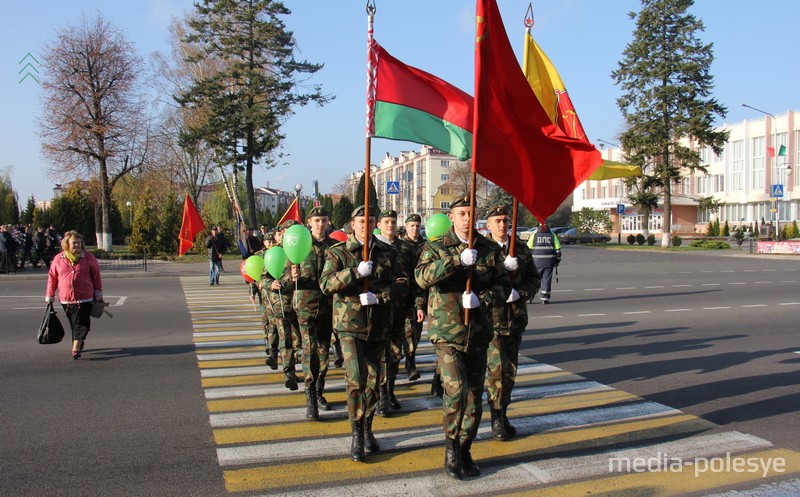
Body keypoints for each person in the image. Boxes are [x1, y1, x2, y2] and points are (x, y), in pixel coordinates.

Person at [415, 196, 510, 480]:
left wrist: (482, 299)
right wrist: (456, 260)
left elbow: (503, 286)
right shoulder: (435, 247)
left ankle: (466, 447)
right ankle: (451, 450)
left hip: (479, 333)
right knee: (455, 393)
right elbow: (421, 278)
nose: (467, 218)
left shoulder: (489, 249)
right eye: (461, 214)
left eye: (471, 213)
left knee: (473, 397)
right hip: (447, 333)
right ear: (452, 217)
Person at [319, 205, 408, 462]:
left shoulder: (389, 252)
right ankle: (357, 434)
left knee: (374, 381)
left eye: (369, 221)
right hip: (349, 326)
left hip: (378, 325)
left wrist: (380, 297)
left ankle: (368, 428)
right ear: (352, 223)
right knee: (357, 380)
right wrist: (356, 272)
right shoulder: (339, 253)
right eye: (360, 221)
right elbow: (327, 284)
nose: (364, 225)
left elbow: (403, 284)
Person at [484, 205, 541, 440]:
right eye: (497, 220)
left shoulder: (519, 249)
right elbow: (476, 283)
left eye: (505, 220)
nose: (502, 224)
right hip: (491, 321)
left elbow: (534, 279)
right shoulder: (480, 250)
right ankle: (496, 418)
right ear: (487, 225)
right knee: (497, 372)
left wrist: (521, 293)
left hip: (515, 319)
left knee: (510, 372)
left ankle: (503, 412)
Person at [289, 206, 336, 419]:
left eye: (324, 220)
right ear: (309, 222)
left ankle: (319, 390)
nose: (320, 224)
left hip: (328, 307)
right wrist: (291, 276)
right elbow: (281, 280)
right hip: (305, 307)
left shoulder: (335, 247)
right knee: (310, 351)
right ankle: (310, 398)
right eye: (316, 220)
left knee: (324, 351)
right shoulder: (298, 246)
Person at [374, 209, 416, 415]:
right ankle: (382, 395)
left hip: (400, 308)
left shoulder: (405, 248)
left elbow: (413, 278)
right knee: (381, 352)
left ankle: (390, 389)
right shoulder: (373, 247)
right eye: (386, 222)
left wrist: (416, 304)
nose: (390, 225)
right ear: (379, 225)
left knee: (395, 352)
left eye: (393, 222)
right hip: (378, 308)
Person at [44, 230, 103, 359]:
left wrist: (98, 291)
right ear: (67, 244)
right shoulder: (59, 259)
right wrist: (50, 295)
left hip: (85, 297)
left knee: (81, 322)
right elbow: (52, 277)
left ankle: (75, 348)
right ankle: (78, 341)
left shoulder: (88, 258)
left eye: (79, 243)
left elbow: (96, 275)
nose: (77, 245)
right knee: (74, 323)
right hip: (66, 298)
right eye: (74, 243)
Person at [261, 219, 302, 391]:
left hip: (303, 304)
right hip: (282, 305)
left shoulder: (303, 251)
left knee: (300, 341)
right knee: (286, 340)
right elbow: (263, 277)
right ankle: (289, 373)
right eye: (287, 230)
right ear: (283, 233)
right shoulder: (275, 253)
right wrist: (271, 284)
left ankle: (296, 367)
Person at [399, 214, 427, 384]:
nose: (415, 229)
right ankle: (411, 364)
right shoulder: (401, 247)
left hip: (422, 294)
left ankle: (410, 357)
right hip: (406, 295)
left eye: (417, 226)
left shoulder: (425, 246)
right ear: (406, 226)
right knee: (408, 331)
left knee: (416, 331)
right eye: (412, 226)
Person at [532, 224, 561, 304]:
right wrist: (557, 261)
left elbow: (529, 248)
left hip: (536, 262)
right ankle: (545, 298)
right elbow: (558, 251)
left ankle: (530, 296)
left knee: (533, 280)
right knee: (546, 280)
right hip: (549, 262)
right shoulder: (552, 235)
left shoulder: (534, 235)